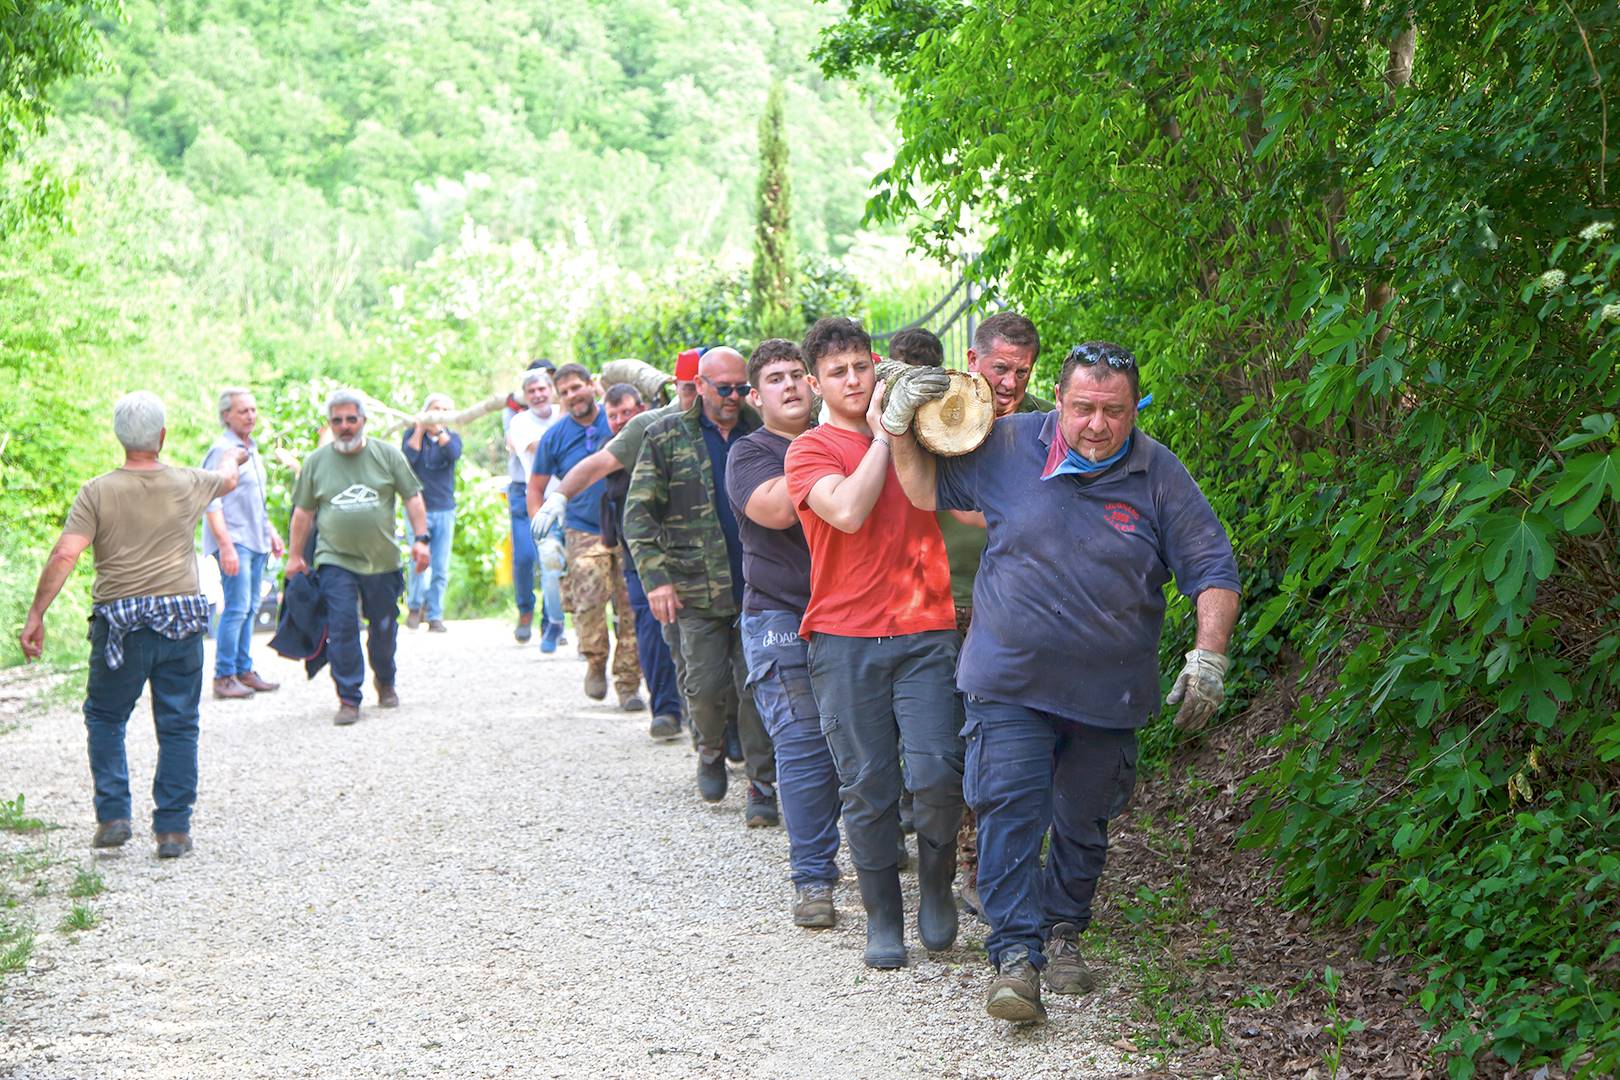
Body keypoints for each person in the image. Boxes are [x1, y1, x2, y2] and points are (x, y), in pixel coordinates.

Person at [886, 340, 1241, 1022]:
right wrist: (900, 426)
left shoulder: (1160, 473)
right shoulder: (1011, 442)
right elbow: (924, 486)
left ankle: (1063, 929)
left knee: (1083, 825)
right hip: (1009, 680)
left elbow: (1212, 568)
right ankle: (1015, 960)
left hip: (1109, 692)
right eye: (1082, 408)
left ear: (1136, 407)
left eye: (1114, 411)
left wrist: (1209, 657)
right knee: (1009, 812)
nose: (1097, 425)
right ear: (1060, 400)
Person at [783, 317, 964, 970]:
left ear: (876, 364)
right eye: (838, 372)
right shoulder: (808, 451)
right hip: (844, 639)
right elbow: (851, 511)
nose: (854, 380)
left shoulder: (917, 430)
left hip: (925, 629)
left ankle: (938, 888)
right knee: (868, 785)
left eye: (862, 366)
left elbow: (971, 498)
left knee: (940, 770)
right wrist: (887, 434)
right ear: (815, 383)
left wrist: (913, 420)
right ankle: (884, 915)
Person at [19, 392, 245, 859]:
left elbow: (66, 553)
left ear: (119, 437)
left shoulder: (97, 491)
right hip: (180, 621)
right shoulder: (188, 482)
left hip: (120, 625)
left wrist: (37, 614)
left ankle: (114, 815)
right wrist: (232, 453)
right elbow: (229, 480)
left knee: (105, 717)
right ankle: (173, 831)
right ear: (162, 437)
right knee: (179, 724)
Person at [889, 316, 1049, 917]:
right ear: (971, 357)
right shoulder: (941, 407)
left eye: (1022, 370)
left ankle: (988, 868)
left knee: (1010, 742)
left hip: (1019, 604)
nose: (1009, 382)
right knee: (951, 740)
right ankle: (951, 863)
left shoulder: (1042, 422)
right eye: (1000, 367)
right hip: (938, 599)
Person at [623, 347, 778, 826]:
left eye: (739, 388)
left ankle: (761, 784)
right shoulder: (665, 436)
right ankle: (710, 748)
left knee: (757, 689)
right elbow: (638, 515)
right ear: (701, 386)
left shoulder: (766, 432)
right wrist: (657, 580)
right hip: (695, 589)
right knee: (707, 686)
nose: (733, 397)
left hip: (761, 588)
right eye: (724, 388)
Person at [532, 349, 718, 737]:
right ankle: (663, 708)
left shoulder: (738, 417)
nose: (694, 399)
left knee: (665, 629)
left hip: (702, 549)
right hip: (625, 540)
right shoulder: (646, 426)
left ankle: (696, 718)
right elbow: (594, 465)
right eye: (686, 389)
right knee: (643, 620)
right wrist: (555, 507)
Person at [725, 339, 843, 925]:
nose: (791, 385)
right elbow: (772, 508)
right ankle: (814, 880)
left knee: (872, 746)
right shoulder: (750, 452)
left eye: (799, 374)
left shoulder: (849, 438)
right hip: (780, 616)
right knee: (801, 745)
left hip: (853, 614)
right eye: (776, 379)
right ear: (756, 396)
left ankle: (882, 855)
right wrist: (836, 469)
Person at [285, 389, 431, 726]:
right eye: (338, 421)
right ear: (330, 425)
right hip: (334, 559)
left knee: (383, 629)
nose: (345, 426)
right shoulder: (317, 463)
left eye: (352, 419)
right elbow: (303, 514)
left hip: (382, 561)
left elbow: (413, 498)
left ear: (363, 421)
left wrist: (421, 540)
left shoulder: (387, 455)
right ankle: (349, 697)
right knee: (342, 626)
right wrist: (295, 556)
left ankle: (385, 678)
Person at [528, 363, 640, 706]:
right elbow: (535, 490)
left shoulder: (622, 420)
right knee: (589, 603)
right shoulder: (555, 437)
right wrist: (545, 536)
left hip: (627, 528)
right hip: (582, 530)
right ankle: (594, 660)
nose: (572, 395)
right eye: (565, 392)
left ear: (592, 386)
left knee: (631, 608)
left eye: (577, 387)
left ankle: (628, 684)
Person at [597, 384, 681, 737]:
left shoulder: (667, 439)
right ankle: (665, 711)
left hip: (681, 553)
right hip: (637, 562)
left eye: (626, 413)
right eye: (612, 416)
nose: (619, 422)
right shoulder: (613, 456)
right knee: (650, 630)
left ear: (643, 409)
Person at [201, 387, 285, 700]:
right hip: (235, 540)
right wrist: (225, 545)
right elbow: (210, 500)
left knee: (250, 607)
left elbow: (254, 498)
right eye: (242, 411)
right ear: (226, 416)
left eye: (252, 409)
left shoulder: (252, 447)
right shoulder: (222, 450)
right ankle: (224, 676)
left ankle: (243, 669)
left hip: (255, 538)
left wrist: (270, 530)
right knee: (236, 608)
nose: (250, 415)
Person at [504, 363, 567, 649]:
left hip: (571, 498)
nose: (538, 394)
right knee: (528, 557)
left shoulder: (562, 413)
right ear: (525, 396)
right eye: (531, 391)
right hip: (536, 501)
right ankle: (526, 610)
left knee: (558, 566)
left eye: (543, 388)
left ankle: (553, 621)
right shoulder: (519, 422)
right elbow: (541, 448)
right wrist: (567, 421)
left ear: (552, 391)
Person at [402, 392, 462, 633]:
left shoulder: (452, 438)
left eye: (444, 410)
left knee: (440, 565)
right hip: (417, 510)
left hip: (444, 508)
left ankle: (435, 613)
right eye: (435, 408)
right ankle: (415, 607)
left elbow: (453, 454)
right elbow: (408, 458)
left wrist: (438, 431)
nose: (439, 413)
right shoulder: (411, 436)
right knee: (418, 561)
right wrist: (420, 428)